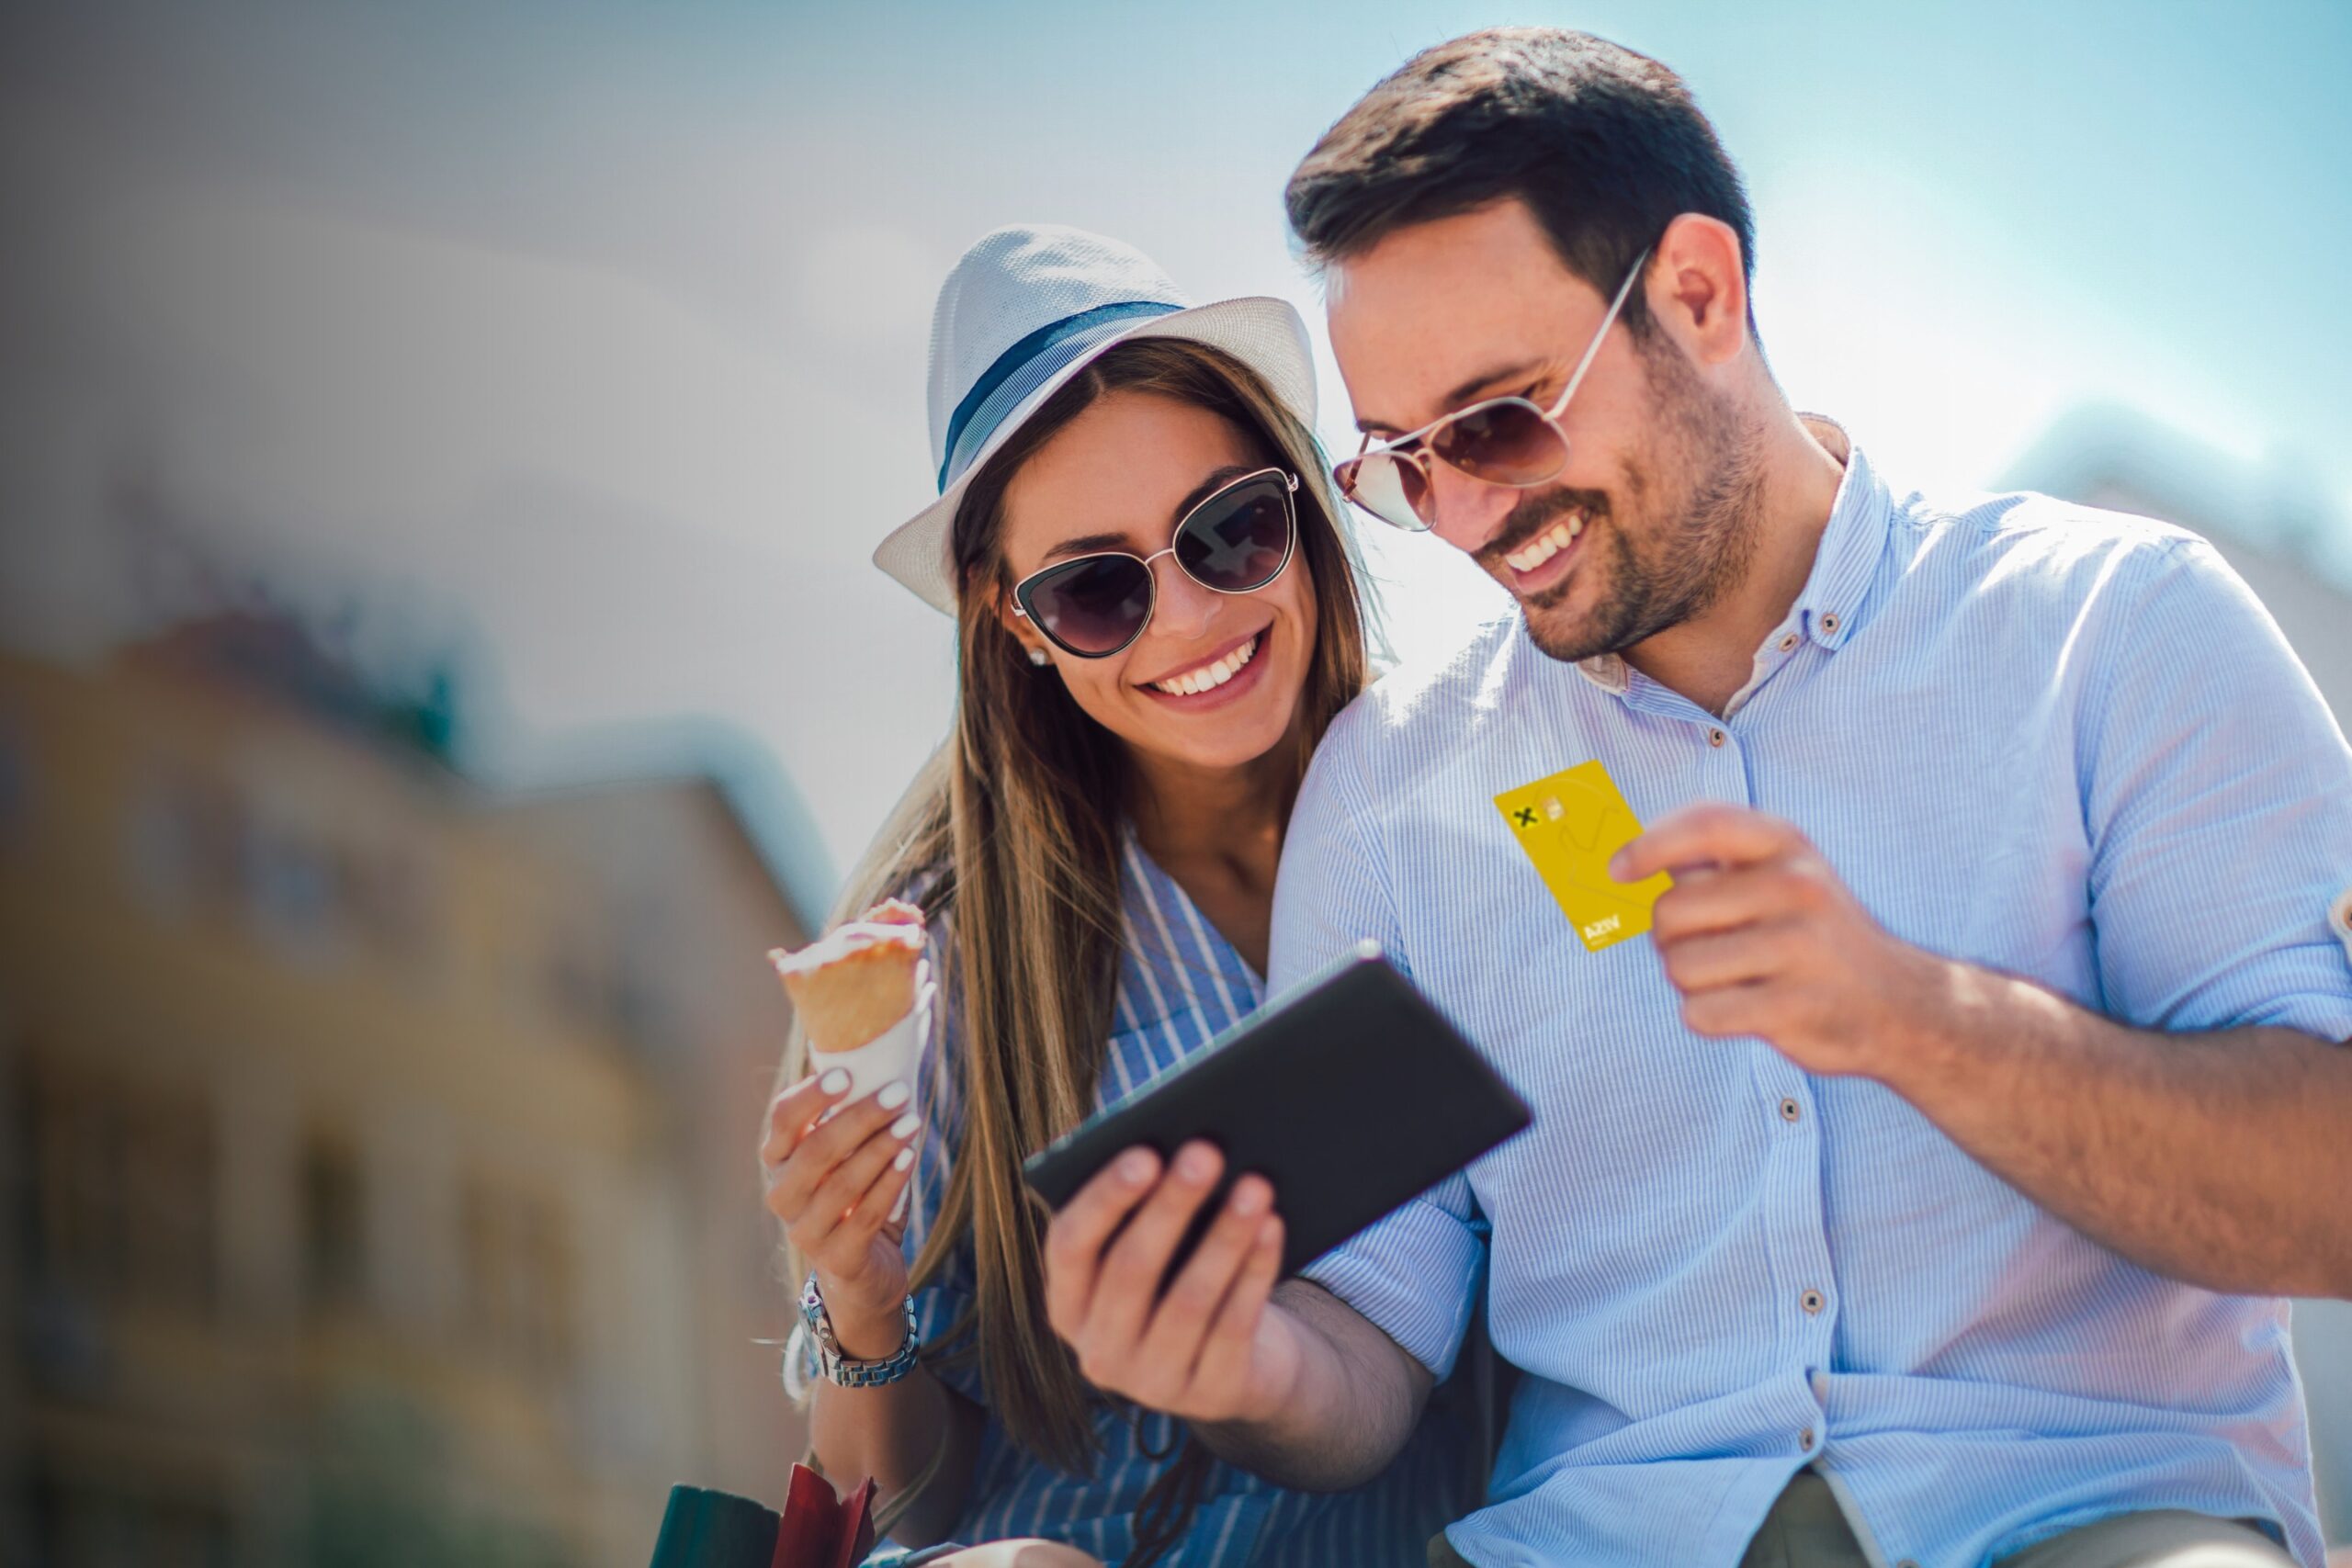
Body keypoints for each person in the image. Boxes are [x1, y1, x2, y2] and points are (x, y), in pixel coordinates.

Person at [1039, 28, 2352, 1568]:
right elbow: (1375, 1344)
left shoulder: (2118, 629)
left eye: (1500, 420)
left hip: (2083, 1519)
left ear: (1700, 295)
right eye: (1402, 462)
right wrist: (1243, 1371)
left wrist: (1911, 1018)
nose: (1463, 515)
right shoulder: (1396, 788)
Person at [756, 224, 1485, 1568]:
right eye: (1095, 589)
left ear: (1301, 505)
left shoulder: (1483, 815)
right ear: (1010, 619)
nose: (1189, 620)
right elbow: (896, 1505)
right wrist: (859, 1299)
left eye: (1229, 528)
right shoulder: (946, 958)